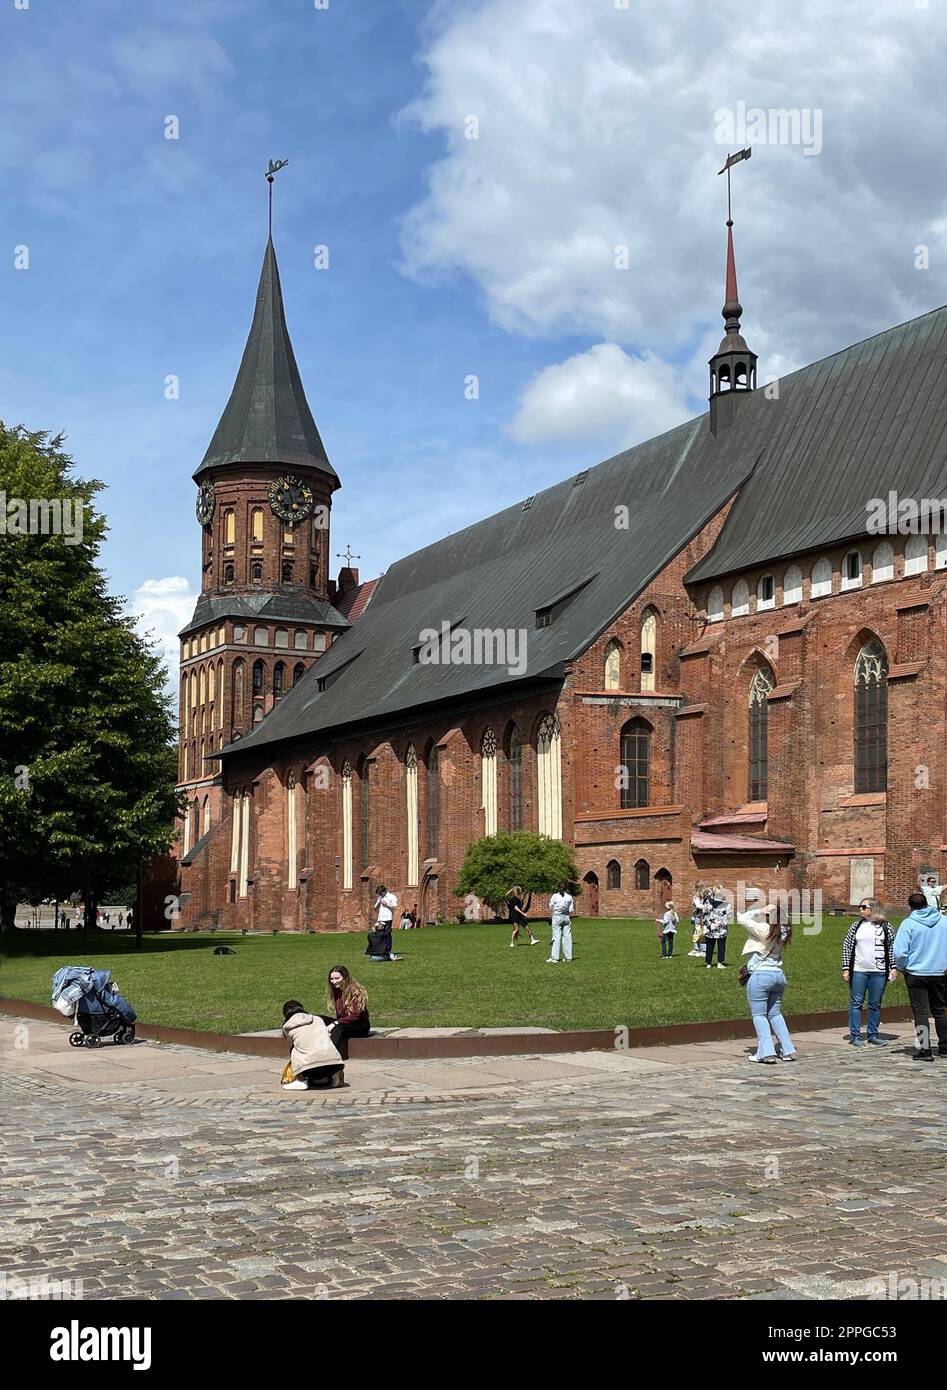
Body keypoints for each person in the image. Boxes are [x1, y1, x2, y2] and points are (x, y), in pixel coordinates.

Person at [892, 891, 947, 1061]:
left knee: (921, 1012)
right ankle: (945, 1046)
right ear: (927, 904)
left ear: (911, 907)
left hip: (916, 972)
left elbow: (900, 952)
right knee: (940, 1010)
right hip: (939, 972)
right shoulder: (944, 921)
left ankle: (925, 1049)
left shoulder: (908, 924)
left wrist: (902, 967)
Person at [740, 905, 797, 1064]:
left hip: (760, 976)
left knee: (759, 1015)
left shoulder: (764, 930)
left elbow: (742, 919)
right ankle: (788, 1049)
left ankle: (766, 1052)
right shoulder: (783, 932)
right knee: (775, 1014)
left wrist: (759, 910)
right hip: (778, 975)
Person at [841, 898, 897, 1046]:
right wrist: (846, 968)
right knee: (856, 1002)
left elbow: (891, 949)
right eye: (859, 906)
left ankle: (873, 1034)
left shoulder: (886, 927)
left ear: (874, 909)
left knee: (875, 1004)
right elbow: (847, 947)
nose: (860, 909)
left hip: (879, 972)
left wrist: (893, 967)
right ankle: (856, 1035)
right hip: (859, 970)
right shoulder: (856, 926)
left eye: (863, 907)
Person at [280, 999, 345, 1090]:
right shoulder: (318, 1019)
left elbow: (292, 1042)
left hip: (309, 1070)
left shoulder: (287, 1026)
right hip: (335, 1065)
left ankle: (301, 1081)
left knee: (294, 1048)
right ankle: (335, 1074)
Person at [324, 967, 371, 1057]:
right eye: (332, 979)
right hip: (344, 1022)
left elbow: (355, 1016)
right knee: (319, 1019)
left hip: (360, 1025)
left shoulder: (355, 992)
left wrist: (335, 1023)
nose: (334, 981)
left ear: (345, 978)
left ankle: (330, 1055)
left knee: (338, 1028)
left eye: (337, 978)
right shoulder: (337, 991)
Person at [367, 885, 400, 961]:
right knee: (379, 935)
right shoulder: (380, 897)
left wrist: (386, 904)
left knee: (387, 935)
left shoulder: (392, 897)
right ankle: (380, 950)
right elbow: (375, 908)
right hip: (380, 918)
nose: (380, 895)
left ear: (384, 891)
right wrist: (378, 903)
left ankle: (388, 950)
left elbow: (394, 907)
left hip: (388, 918)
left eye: (380, 893)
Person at [703, 884, 730, 969]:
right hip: (721, 928)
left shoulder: (707, 902)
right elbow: (729, 915)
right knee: (721, 946)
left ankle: (708, 963)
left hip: (710, 927)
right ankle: (719, 963)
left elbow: (704, 912)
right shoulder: (726, 904)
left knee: (709, 946)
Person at [547, 882, 575, 963]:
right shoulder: (569, 897)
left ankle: (555, 957)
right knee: (567, 936)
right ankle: (568, 957)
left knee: (556, 936)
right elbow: (571, 910)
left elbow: (551, 906)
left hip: (557, 916)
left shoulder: (555, 896)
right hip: (566, 917)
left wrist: (551, 916)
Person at [688, 882, 706, 958]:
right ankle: (699, 949)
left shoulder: (697, 897)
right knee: (700, 932)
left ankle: (701, 950)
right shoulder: (705, 896)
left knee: (699, 933)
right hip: (702, 917)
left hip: (700, 917)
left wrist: (704, 907)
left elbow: (698, 906)